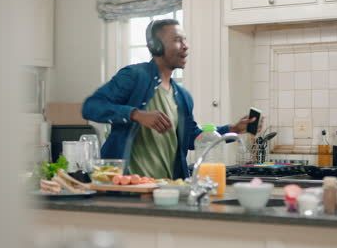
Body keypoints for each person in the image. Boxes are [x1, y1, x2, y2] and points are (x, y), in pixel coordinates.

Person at [82, 19, 259, 179]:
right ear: (156, 46)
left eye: (185, 40)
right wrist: (135, 114)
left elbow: (193, 139)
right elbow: (91, 107)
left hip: (166, 190)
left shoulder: (183, 97)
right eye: (177, 40)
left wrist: (233, 129)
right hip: (127, 189)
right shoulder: (135, 76)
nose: (185, 46)